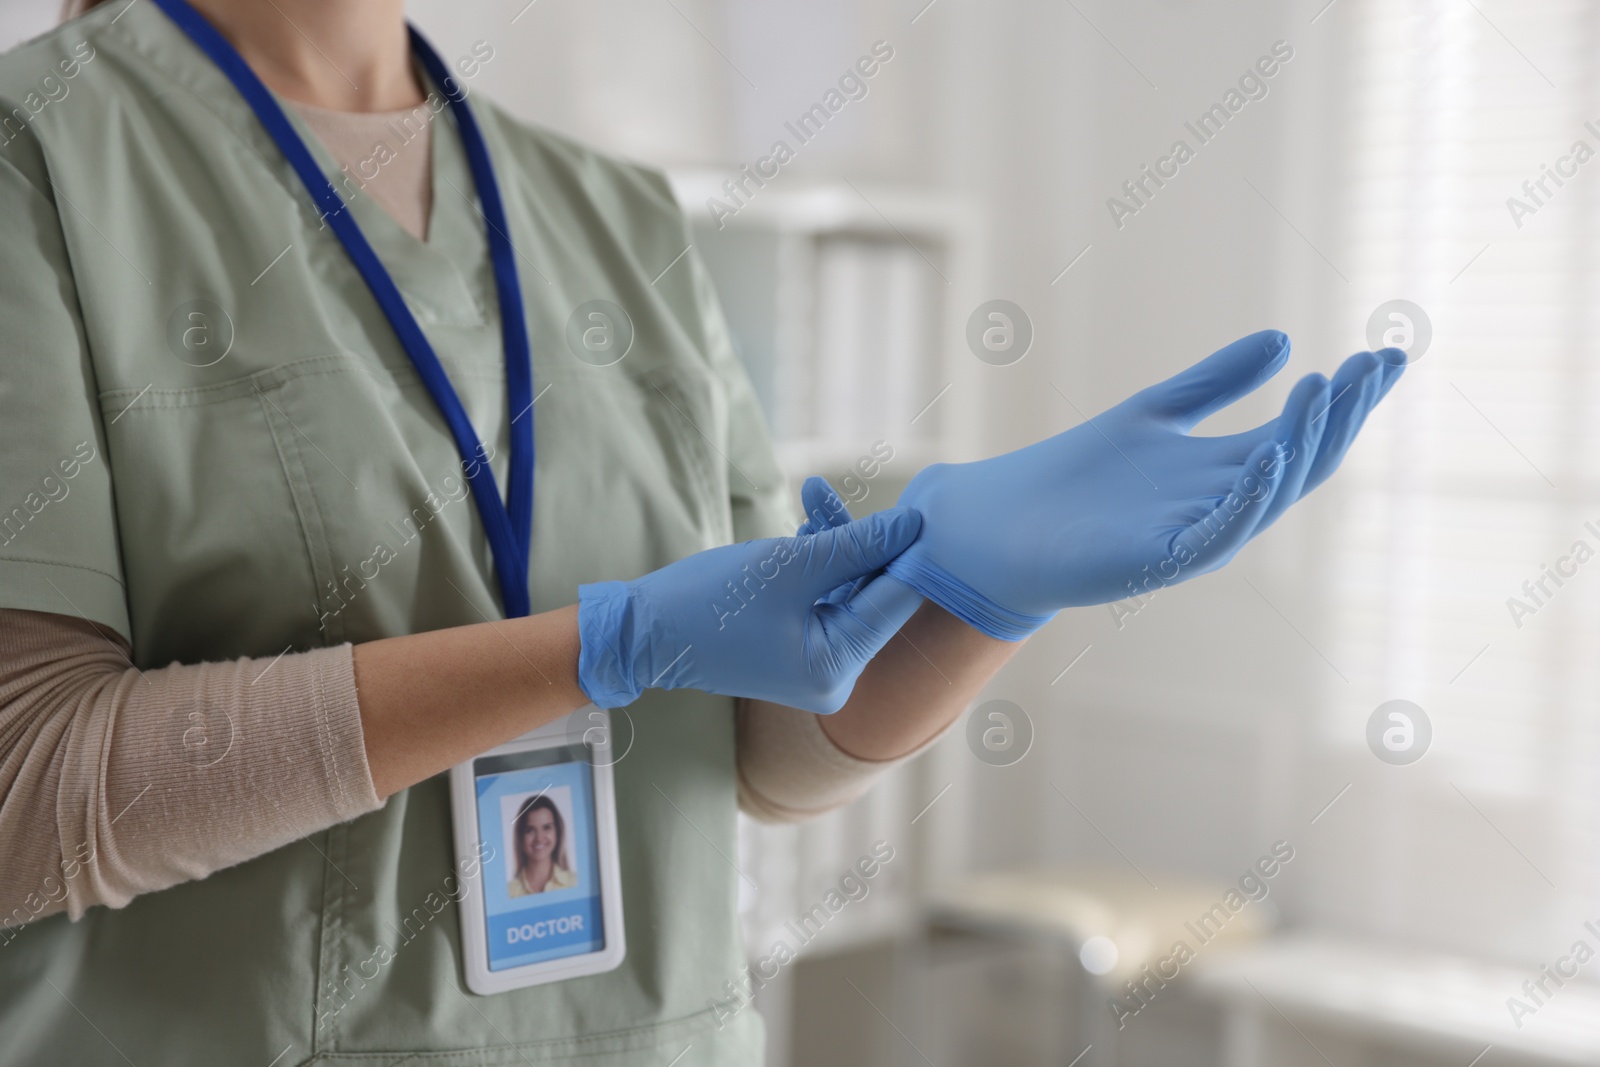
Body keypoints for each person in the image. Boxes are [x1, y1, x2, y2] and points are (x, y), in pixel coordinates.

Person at [0, 0, 1404, 1063]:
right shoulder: (40, 166)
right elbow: (27, 786)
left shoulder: (613, 214)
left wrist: (978, 598)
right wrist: (597, 648)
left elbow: (756, 755)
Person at [507, 795, 577, 897]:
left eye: (546, 827)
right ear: (520, 836)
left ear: (557, 831)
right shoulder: (509, 891)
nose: (539, 838)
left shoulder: (574, 881)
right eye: (530, 830)